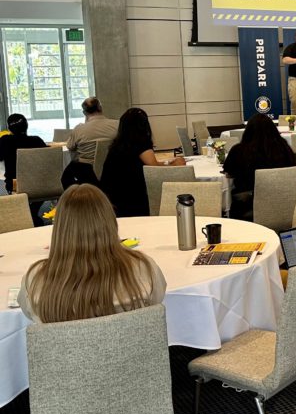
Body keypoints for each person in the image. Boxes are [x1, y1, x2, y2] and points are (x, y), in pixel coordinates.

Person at [18, 184, 166, 323]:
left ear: (60, 229)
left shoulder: (34, 280)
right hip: (130, 343)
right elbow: (157, 299)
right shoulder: (143, 269)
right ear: (111, 222)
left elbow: (27, 313)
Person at [100, 108, 185, 217]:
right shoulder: (140, 142)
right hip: (132, 201)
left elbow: (151, 163)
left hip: (110, 201)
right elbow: (154, 168)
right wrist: (173, 164)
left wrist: (168, 163)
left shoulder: (117, 145)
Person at [223, 113, 296, 221]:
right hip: (283, 205)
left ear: (248, 131)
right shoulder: (284, 148)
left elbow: (229, 174)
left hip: (248, 207)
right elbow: (292, 169)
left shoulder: (239, 150)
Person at [0, 113, 46, 195]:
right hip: (41, 183)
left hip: (15, 184)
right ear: (26, 126)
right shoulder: (37, 140)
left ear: (9, 128)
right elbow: (48, 158)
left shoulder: (5, 141)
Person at [65, 97, 118, 163]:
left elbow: (70, 146)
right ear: (100, 108)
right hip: (112, 166)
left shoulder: (79, 129)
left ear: (84, 113)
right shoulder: (117, 124)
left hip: (86, 168)